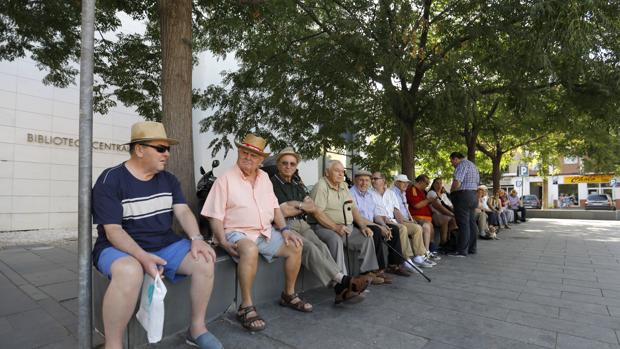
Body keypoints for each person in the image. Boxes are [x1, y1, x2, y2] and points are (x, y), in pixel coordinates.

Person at [92, 121, 222, 349]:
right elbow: (113, 231)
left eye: (168, 149)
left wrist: (197, 239)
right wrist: (143, 258)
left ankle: (197, 328)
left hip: (164, 243)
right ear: (139, 149)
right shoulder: (110, 180)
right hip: (118, 247)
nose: (167, 154)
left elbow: (182, 210)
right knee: (129, 270)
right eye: (161, 148)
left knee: (204, 259)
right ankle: (113, 345)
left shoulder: (169, 179)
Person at [202, 134, 312, 333]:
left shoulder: (263, 179)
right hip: (237, 232)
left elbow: (275, 208)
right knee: (250, 249)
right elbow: (214, 216)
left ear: (261, 160)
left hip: (265, 231)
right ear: (239, 153)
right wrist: (223, 242)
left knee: (296, 244)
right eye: (245, 152)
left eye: (253, 155)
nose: (248, 157)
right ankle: (246, 306)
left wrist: (285, 229)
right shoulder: (225, 180)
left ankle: (288, 294)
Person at [270, 147, 371, 304]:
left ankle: (341, 287)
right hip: (285, 225)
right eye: (285, 163)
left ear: (296, 166)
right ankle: (343, 282)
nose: (288, 166)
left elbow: (312, 207)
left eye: (292, 163)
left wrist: (296, 205)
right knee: (308, 247)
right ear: (278, 164)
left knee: (321, 247)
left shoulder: (296, 182)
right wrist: (301, 205)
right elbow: (283, 211)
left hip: (302, 223)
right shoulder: (273, 183)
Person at [308, 160, 383, 284]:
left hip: (346, 228)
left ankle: (368, 273)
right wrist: (335, 227)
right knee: (335, 240)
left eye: (342, 171)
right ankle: (343, 281)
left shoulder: (343, 185)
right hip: (323, 227)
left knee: (366, 237)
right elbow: (317, 213)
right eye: (336, 171)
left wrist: (363, 226)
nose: (340, 174)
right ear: (327, 172)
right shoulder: (321, 186)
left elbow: (353, 208)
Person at [350, 170, 410, 280]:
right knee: (376, 231)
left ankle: (394, 265)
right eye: (361, 180)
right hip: (358, 223)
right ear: (355, 180)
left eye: (367, 180)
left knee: (394, 229)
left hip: (371, 222)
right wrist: (379, 227)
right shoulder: (351, 193)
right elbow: (357, 216)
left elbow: (375, 214)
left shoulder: (368, 194)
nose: (364, 183)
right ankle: (378, 269)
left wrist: (383, 224)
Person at [370, 171, 422, 273]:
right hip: (381, 221)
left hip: (393, 220)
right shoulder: (369, 193)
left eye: (375, 178)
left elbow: (396, 210)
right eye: (372, 179)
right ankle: (406, 259)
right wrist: (400, 225)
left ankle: (419, 256)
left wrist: (402, 222)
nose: (372, 181)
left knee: (416, 228)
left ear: (383, 180)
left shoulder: (391, 193)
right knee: (402, 229)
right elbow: (373, 213)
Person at [390, 175, 433, 267]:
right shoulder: (392, 193)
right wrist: (409, 221)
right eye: (403, 182)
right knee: (417, 227)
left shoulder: (403, 193)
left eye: (407, 182)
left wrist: (410, 219)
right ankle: (409, 258)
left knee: (419, 227)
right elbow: (396, 212)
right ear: (396, 183)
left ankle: (420, 255)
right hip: (397, 220)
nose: (406, 184)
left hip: (406, 219)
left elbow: (406, 209)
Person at [448, 152, 480, 257]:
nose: (452, 164)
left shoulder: (462, 165)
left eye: (452, 161)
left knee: (463, 224)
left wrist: (451, 191)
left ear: (456, 159)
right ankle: (472, 248)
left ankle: (462, 251)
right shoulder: (473, 165)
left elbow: (457, 182)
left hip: (463, 196)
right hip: (473, 195)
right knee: (471, 223)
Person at [406, 174, 441, 262]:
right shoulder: (412, 189)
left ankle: (430, 250)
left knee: (430, 226)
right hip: (417, 217)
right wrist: (429, 200)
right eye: (426, 183)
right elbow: (417, 205)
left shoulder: (422, 191)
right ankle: (426, 252)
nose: (427, 185)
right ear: (420, 182)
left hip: (426, 218)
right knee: (427, 226)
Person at [427, 178, 458, 249]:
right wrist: (451, 214)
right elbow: (438, 207)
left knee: (454, 220)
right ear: (433, 184)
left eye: (440, 183)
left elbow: (451, 206)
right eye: (437, 183)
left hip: (446, 214)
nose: (439, 185)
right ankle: (443, 242)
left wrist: (454, 213)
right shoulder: (431, 193)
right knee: (446, 218)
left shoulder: (443, 195)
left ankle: (452, 241)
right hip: (435, 215)